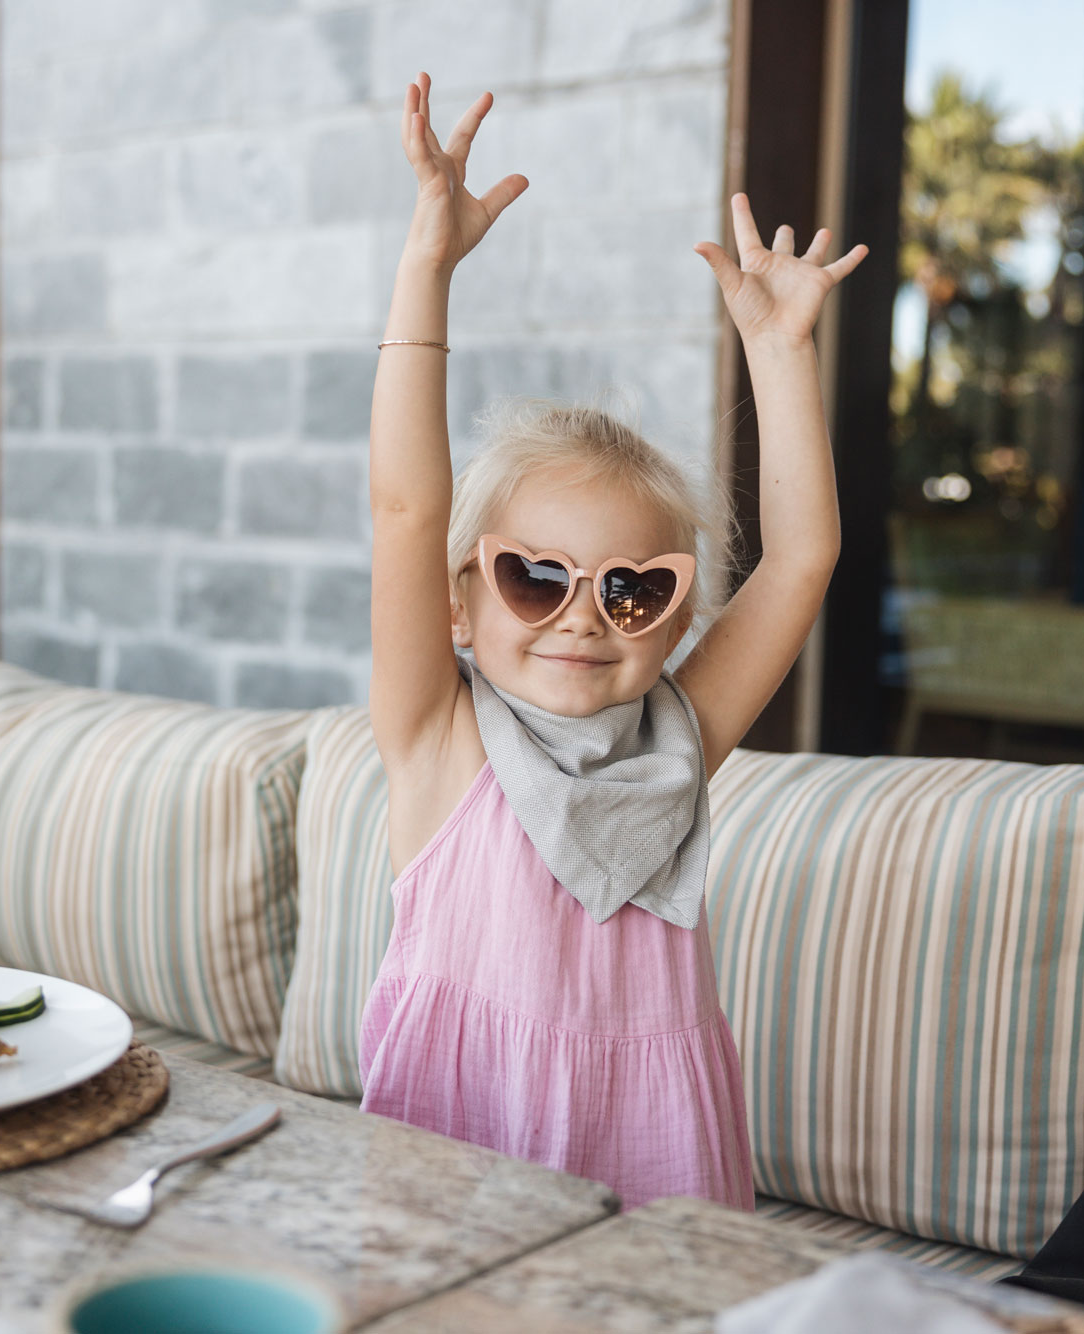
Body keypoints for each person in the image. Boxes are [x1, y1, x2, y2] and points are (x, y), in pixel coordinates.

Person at [357, 74, 865, 1210]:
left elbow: (799, 559)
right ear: (459, 602)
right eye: (532, 577)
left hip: (657, 1156)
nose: (582, 613)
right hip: (459, 1152)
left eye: (634, 589)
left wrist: (778, 351)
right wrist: (425, 266)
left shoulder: (680, 731)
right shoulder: (437, 735)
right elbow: (403, 504)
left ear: (676, 619)